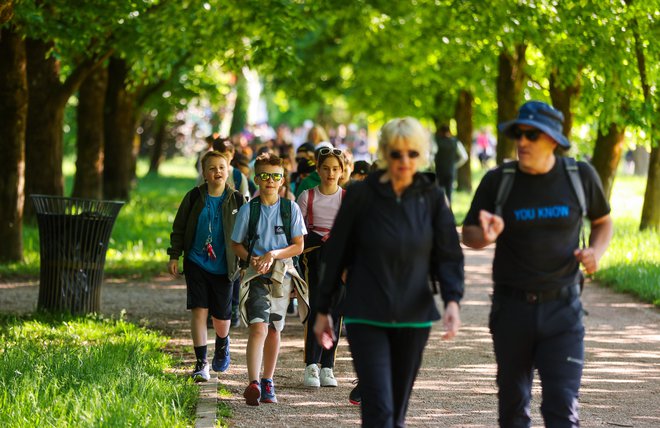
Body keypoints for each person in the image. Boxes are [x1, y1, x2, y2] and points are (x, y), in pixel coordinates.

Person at [462, 100, 613, 428]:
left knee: (562, 410)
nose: (522, 141)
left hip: (563, 311)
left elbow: (603, 221)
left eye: (532, 135)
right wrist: (485, 235)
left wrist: (596, 253)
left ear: (554, 140)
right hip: (511, 310)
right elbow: (469, 234)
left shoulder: (579, 176)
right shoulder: (498, 180)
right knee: (513, 410)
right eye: (518, 133)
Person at [314, 117, 464, 427]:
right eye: (396, 154)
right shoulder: (361, 195)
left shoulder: (431, 196)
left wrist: (452, 301)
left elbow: (449, 254)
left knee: (396, 412)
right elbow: (336, 253)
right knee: (378, 408)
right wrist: (323, 309)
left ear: (421, 155)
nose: (404, 161)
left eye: (412, 154)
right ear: (384, 153)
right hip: (366, 314)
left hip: (414, 314)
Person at [230, 153, 309, 406]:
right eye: (264, 176)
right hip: (256, 275)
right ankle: (253, 382)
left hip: (281, 276)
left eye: (275, 176)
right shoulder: (248, 210)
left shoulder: (291, 208)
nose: (270, 181)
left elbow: (298, 246)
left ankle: (268, 380)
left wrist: (274, 253)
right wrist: (251, 257)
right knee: (258, 326)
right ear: (257, 179)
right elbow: (235, 243)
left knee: (274, 329)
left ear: (282, 179)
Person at [167, 150, 245, 382]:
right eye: (212, 168)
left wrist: (246, 260)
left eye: (221, 167)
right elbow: (179, 228)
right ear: (204, 173)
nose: (217, 172)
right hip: (196, 262)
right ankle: (201, 363)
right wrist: (174, 256)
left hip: (225, 266)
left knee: (221, 318)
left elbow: (246, 233)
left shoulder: (237, 200)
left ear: (228, 169)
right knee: (199, 311)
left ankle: (222, 342)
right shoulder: (193, 197)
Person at [296, 147, 346, 388]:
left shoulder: (347, 198)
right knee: (317, 307)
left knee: (336, 311)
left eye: (335, 169)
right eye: (325, 168)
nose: (330, 173)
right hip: (314, 258)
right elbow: (297, 234)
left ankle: (328, 366)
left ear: (342, 172)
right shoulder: (307, 196)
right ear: (318, 170)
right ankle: (311, 364)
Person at [434, 125, 468, 202]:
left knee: (439, 194)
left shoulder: (437, 141)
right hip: (451, 170)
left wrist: (432, 166)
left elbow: (431, 156)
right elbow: (464, 157)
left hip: (439, 171)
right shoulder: (455, 142)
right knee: (449, 194)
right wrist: (455, 165)